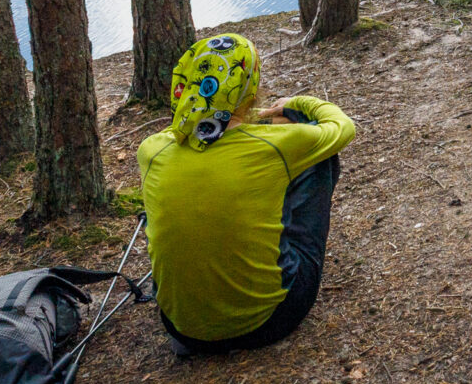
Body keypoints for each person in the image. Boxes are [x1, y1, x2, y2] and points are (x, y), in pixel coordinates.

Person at [137, 33, 355, 354]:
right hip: (269, 321)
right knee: (321, 156)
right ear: (249, 86)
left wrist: (259, 120)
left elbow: (198, 130)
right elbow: (342, 126)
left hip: (182, 329)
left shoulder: (151, 150)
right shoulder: (276, 148)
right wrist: (294, 105)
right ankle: (276, 266)